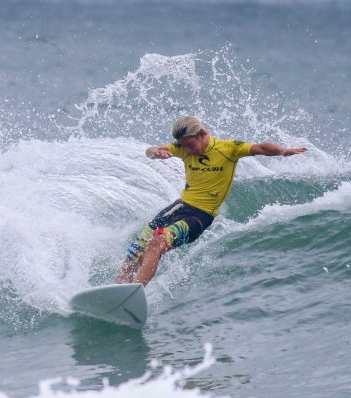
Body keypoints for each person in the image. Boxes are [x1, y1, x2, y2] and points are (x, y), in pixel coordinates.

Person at [115, 116, 307, 287]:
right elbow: (151, 151)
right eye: (183, 146)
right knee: (137, 247)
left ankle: (134, 291)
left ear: (201, 134)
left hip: (199, 216)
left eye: (190, 145)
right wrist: (156, 153)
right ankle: (118, 288)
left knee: (157, 242)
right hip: (178, 206)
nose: (187, 151)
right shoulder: (182, 149)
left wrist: (283, 151)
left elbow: (262, 148)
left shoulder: (228, 149)